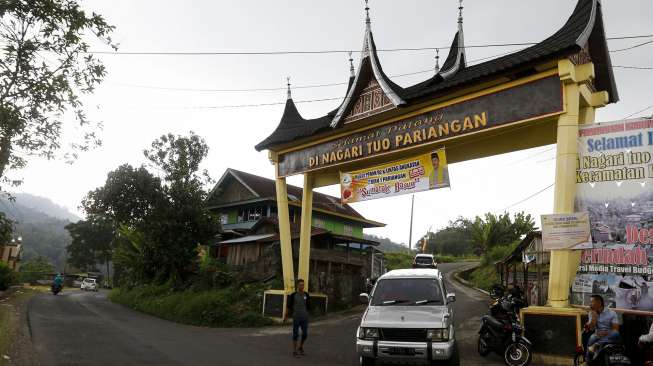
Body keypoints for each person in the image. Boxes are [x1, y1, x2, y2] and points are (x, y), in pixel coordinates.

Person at [585, 294, 620, 359]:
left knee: (616, 333)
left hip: (609, 333)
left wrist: (606, 332)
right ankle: (588, 361)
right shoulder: (591, 313)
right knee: (592, 338)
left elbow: (616, 329)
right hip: (598, 334)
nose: (590, 304)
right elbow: (592, 329)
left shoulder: (612, 313)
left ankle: (596, 344)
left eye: (592, 302)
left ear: (599, 303)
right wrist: (594, 317)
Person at [287, 279, 311, 358]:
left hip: (304, 317)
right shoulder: (293, 295)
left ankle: (300, 347)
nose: (302, 286)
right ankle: (294, 350)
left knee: (305, 334)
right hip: (296, 317)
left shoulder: (306, 295)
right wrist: (288, 314)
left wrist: (308, 314)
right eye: (300, 284)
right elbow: (289, 306)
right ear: (297, 285)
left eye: (303, 284)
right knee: (296, 334)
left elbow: (308, 306)